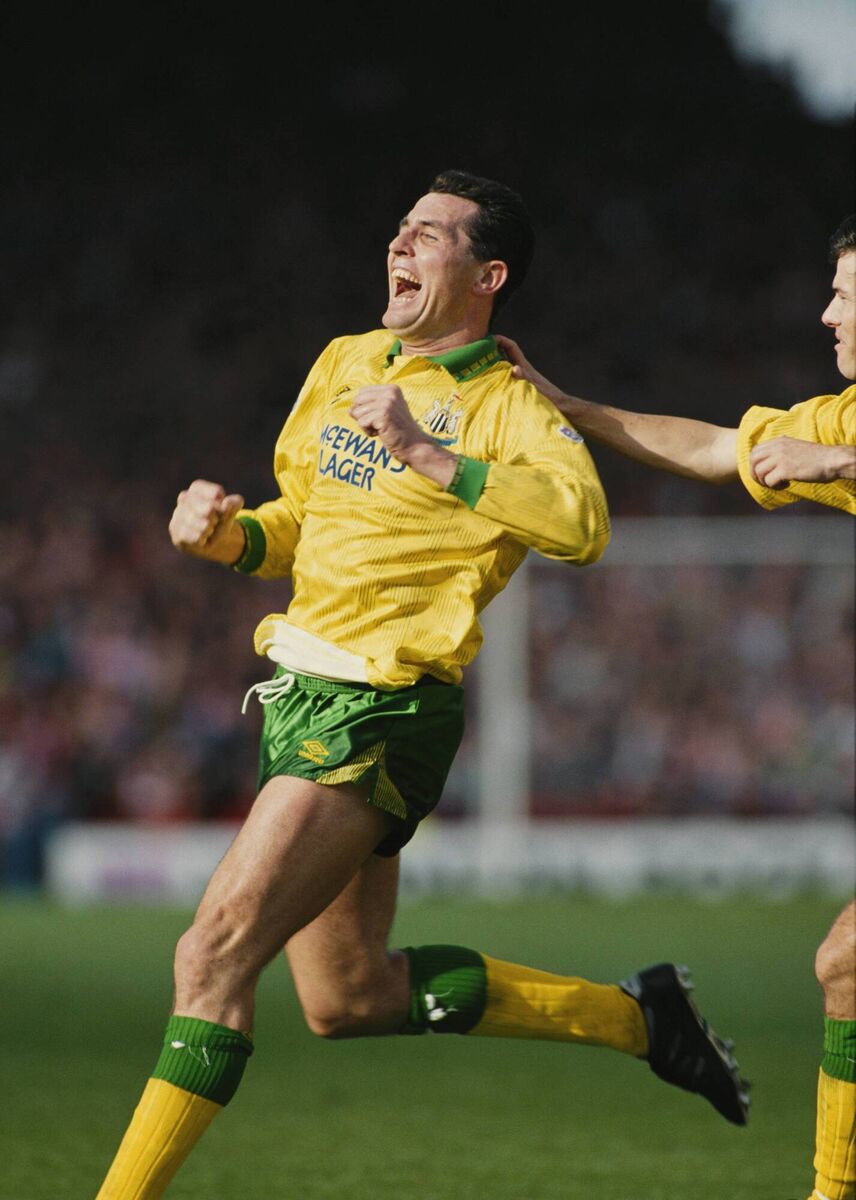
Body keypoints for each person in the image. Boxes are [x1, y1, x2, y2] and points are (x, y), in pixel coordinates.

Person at [94, 169, 749, 1199]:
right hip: (301, 690)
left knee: (211, 955)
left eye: (431, 235)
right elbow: (296, 527)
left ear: (488, 276)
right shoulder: (347, 361)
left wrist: (429, 453)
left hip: (381, 705)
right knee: (348, 997)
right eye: (400, 228)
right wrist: (226, 537)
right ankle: (638, 1017)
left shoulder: (507, 407)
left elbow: (581, 528)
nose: (401, 245)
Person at [497, 212, 856, 1200]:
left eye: (844, 294)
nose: (827, 313)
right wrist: (571, 407)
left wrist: (846, 466)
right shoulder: (841, 419)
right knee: (848, 967)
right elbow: (707, 448)